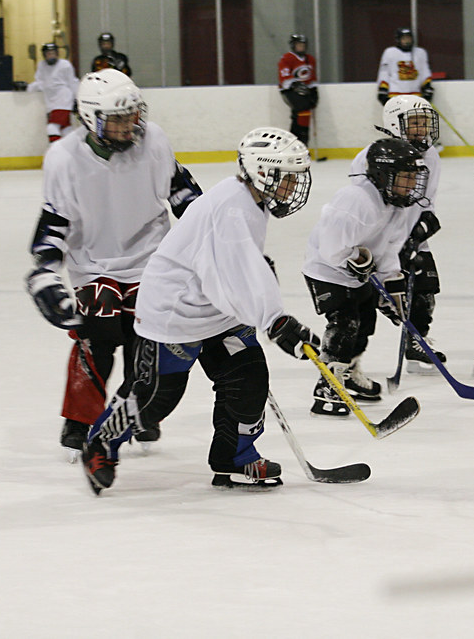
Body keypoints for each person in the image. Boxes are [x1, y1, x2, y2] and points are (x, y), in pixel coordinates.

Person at [81, 127, 320, 493]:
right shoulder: (233, 209)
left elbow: (240, 269)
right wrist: (276, 320)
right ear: (262, 173)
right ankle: (101, 442)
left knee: (248, 379)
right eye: (286, 178)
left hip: (217, 308)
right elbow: (234, 271)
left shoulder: (251, 201)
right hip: (174, 313)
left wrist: (269, 312)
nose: (293, 187)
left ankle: (235, 459)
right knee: (155, 398)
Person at [24, 69, 201, 461]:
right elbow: (54, 221)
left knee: (148, 344)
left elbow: (183, 194)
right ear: (90, 118)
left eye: (133, 115)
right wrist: (44, 269)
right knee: (96, 341)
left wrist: (212, 241)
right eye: (117, 119)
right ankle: (79, 422)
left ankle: (136, 414)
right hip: (93, 264)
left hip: (152, 259)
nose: (129, 126)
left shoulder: (154, 140)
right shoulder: (63, 159)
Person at [303, 138, 429, 415]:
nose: (411, 184)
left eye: (413, 177)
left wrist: (392, 287)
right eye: (405, 177)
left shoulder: (397, 204)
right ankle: (327, 387)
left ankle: (347, 373)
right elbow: (333, 247)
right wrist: (360, 259)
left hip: (356, 274)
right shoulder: (356, 200)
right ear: (383, 175)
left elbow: (388, 249)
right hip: (325, 269)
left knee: (365, 324)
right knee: (345, 322)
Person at [378, 95, 445, 374]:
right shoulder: (378, 154)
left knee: (425, 288)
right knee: (371, 300)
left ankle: (416, 342)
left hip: (412, 234)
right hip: (379, 238)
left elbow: (425, 201)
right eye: (414, 122)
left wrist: (423, 225)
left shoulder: (430, 155)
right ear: (396, 124)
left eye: (424, 122)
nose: (422, 128)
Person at [27, 42, 79, 143]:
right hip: (51, 103)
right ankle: (73, 151)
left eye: (53, 53)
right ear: (44, 55)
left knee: (52, 127)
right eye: (48, 53)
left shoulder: (65, 65)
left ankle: (55, 152)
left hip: (63, 100)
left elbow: (72, 82)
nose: (51, 55)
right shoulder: (42, 65)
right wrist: (28, 87)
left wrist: (76, 99)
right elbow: (41, 82)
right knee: (65, 129)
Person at [277, 33, 319, 146]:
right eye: (299, 45)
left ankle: (295, 142)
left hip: (305, 91)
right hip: (289, 91)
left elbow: (312, 78)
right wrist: (295, 85)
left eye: (303, 45)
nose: (301, 47)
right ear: (293, 46)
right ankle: (301, 141)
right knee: (303, 109)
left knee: (301, 114)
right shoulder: (287, 58)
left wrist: (314, 90)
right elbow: (284, 78)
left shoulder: (310, 59)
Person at [376, 27, 433, 106]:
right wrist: (382, 90)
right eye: (404, 39)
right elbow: (384, 73)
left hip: (415, 95)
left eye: (408, 38)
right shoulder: (390, 52)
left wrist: (427, 87)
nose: (406, 41)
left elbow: (424, 72)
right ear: (398, 40)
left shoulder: (420, 53)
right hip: (395, 95)